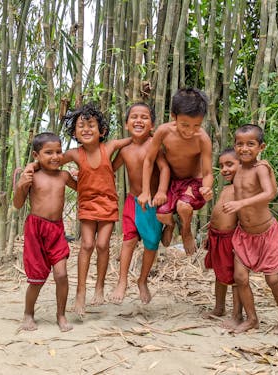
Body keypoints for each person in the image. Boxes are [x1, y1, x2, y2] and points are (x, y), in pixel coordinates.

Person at [58, 103, 131, 317]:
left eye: (91, 125)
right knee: (87, 245)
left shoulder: (109, 148)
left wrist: (153, 133)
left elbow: (133, 140)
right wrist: (34, 166)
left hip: (108, 204)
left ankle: (99, 285)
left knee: (102, 244)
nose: (86, 129)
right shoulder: (74, 153)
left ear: (102, 131)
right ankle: (81, 292)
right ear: (74, 133)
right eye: (81, 126)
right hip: (88, 204)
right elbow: (52, 160)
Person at [223, 124, 278, 335]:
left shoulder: (261, 167)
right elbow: (224, 173)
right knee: (241, 278)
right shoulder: (238, 168)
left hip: (266, 233)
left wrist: (240, 204)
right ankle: (252, 318)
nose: (244, 149)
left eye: (250, 144)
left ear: (261, 147)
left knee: (273, 279)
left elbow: (270, 193)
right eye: (239, 144)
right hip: (244, 234)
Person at [13, 132, 77, 332]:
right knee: (37, 278)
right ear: (35, 155)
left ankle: (61, 315)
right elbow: (17, 204)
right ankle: (28, 313)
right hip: (36, 229)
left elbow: (84, 189)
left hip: (57, 230)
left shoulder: (64, 176)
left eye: (58, 151)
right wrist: (21, 185)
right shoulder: (31, 176)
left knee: (61, 274)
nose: (55, 156)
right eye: (48, 152)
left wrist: (81, 174)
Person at [138, 88, 213, 255]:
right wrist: (144, 192)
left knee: (183, 206)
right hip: (172, 182)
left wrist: (206, 188)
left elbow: (207, 173)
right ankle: (171, 225)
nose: (190, 130)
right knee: (162, 216)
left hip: (193, 183)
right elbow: (149, 160)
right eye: (185, 125)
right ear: (174, 116)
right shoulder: (163, 131)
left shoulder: (203, 139)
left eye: (197, 125)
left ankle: (186, 231)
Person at [109, 103, 170, 305]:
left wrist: (161, 192)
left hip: (151, 204)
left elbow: (164, 169)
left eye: (144, 117)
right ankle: (122, 280)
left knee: (151, 244)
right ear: (127, 124)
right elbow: (109, 168)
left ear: (152, 125)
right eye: (134, 117)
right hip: (132, 201)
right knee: (128, 240)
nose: (139, 120)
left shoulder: (155, 145)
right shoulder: (125, 149)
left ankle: (142, 280)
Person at [202, 148, 243, 329]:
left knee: (235, 278)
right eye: (221, 166)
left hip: (231, 238)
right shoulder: (227, 187)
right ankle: (219, 308)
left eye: (229, 164)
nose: (224, 169)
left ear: (242, 164)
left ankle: (237, 314)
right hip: (216, 236)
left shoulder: (243, 188)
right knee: (219, 274)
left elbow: (244, 216)